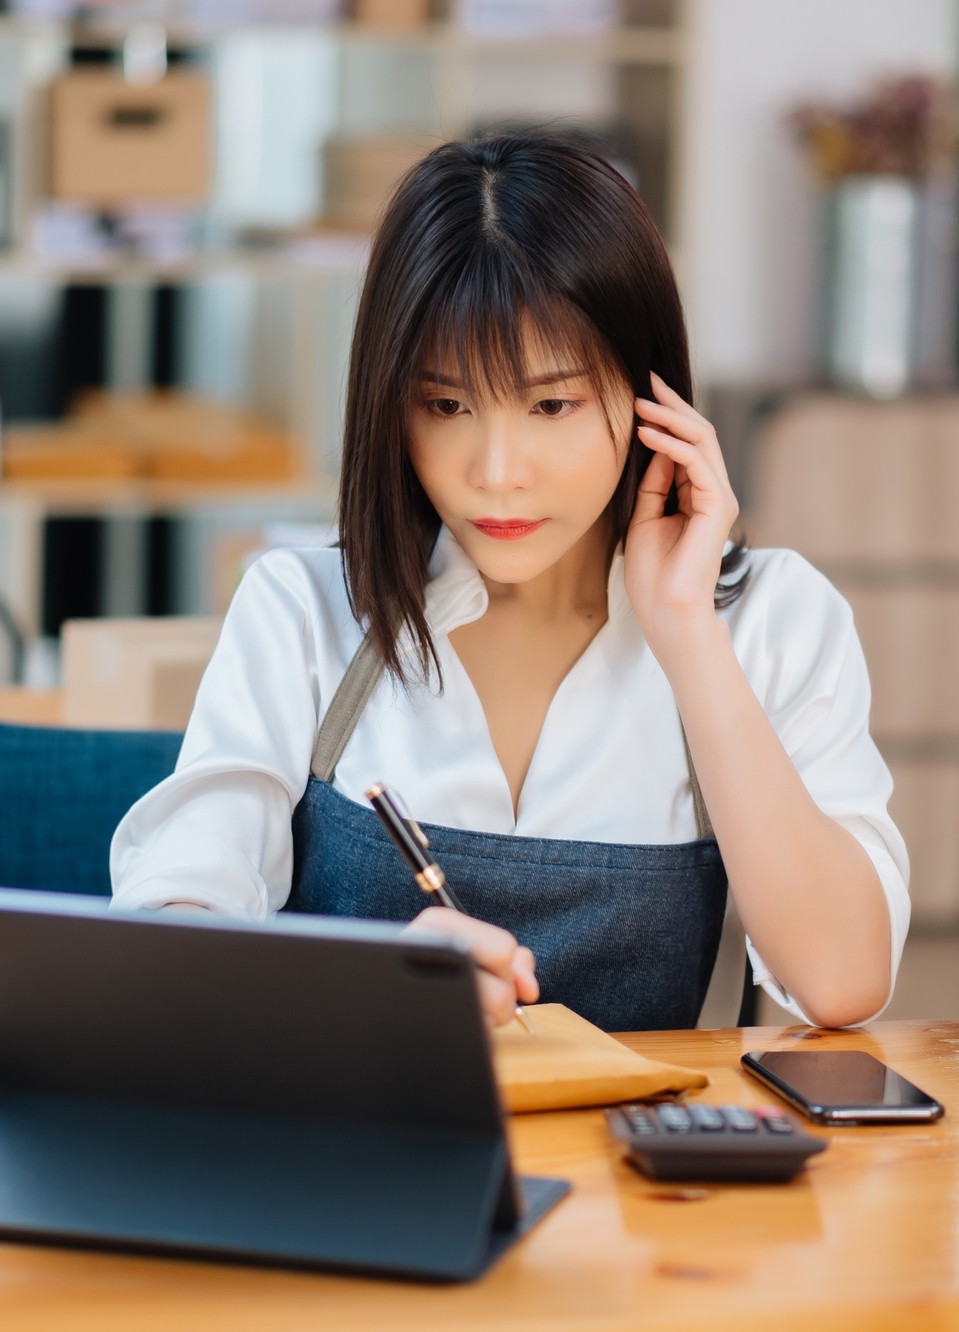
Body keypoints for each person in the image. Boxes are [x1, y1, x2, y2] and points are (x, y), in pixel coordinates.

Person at [111, 133, 909, 1032]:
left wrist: (686, 630)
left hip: (642, 1169)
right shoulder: (304, 610)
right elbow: (170, 934)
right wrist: (364, 987)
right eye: (447, 405)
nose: (496, 471)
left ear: (656, 400)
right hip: (360, 1154)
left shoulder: (771, 620)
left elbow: (844, 980)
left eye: (551, 405)